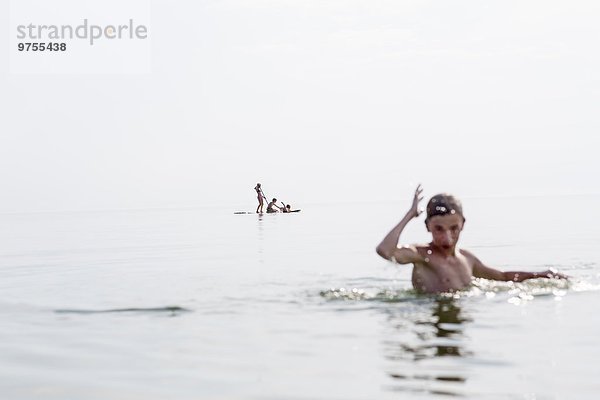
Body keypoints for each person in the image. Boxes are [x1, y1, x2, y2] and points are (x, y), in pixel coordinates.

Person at [376, 185, 567, 294]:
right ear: (427, 227)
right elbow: (385, 251)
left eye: (454, 228)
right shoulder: (420, 255)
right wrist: (409, 215)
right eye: (439, 229)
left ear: (463, 224)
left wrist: (540, 275)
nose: (447, 237)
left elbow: (502, 277)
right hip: (430, 314)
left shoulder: (466, 259)